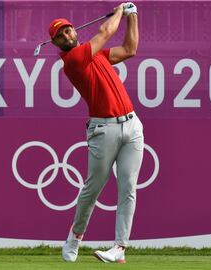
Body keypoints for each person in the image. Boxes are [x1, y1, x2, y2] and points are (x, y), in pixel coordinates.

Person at [48, 2, 143, 263]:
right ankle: (75, 236)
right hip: (104, 130)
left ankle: (119, 248)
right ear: (56, 43)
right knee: (94, 188)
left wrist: (132, 16)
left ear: (74, 31)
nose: (66, 35)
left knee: (128, 187)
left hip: (132, 125)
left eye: (67, 30)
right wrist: (121, 11)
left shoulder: (96, 55)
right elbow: (104, 31)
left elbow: (130, 49)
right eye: (60, 35)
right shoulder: (73, 60)